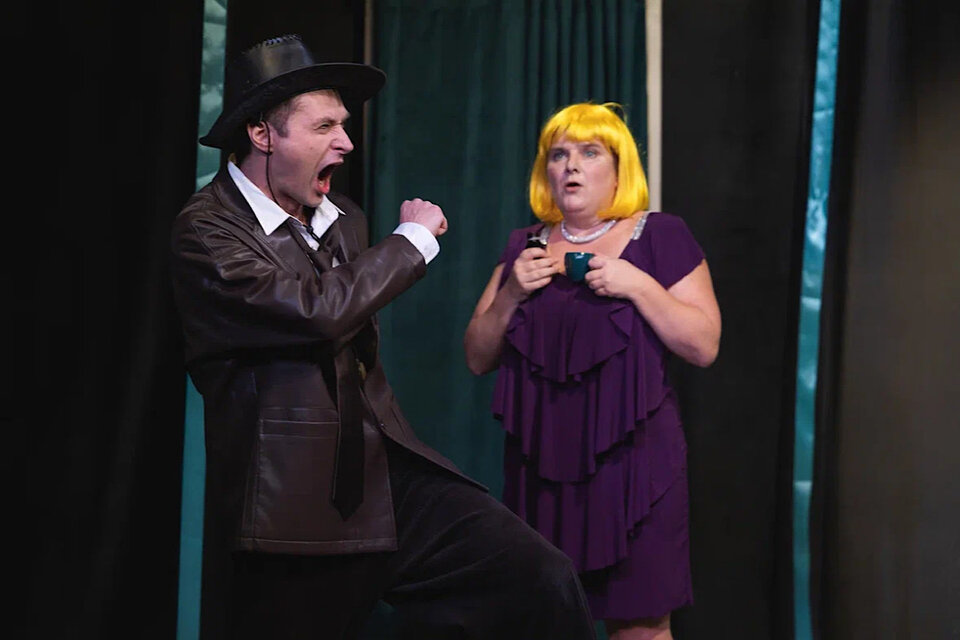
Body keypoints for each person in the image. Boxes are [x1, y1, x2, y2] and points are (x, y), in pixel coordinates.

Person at [170, 35, 596, 640]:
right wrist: (410, 242)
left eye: (343, 125)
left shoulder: (343, 218)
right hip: (291, 508)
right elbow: (313, 312)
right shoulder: (207, 232)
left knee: (539, 578)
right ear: (263, 135)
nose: (346, 142)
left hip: (385, 477)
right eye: (324, 126)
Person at [464, 103, 721, 640]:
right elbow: (477, 356)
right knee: (547, 623)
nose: (572, 166)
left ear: (620, 169)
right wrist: (511, 293)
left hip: (636, 471)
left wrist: (637, 285)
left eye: (589, 152)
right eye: (559, 155)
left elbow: (703, 345)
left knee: (641, 629)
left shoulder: (661, 235)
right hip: (542, 470)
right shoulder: (525, 245)